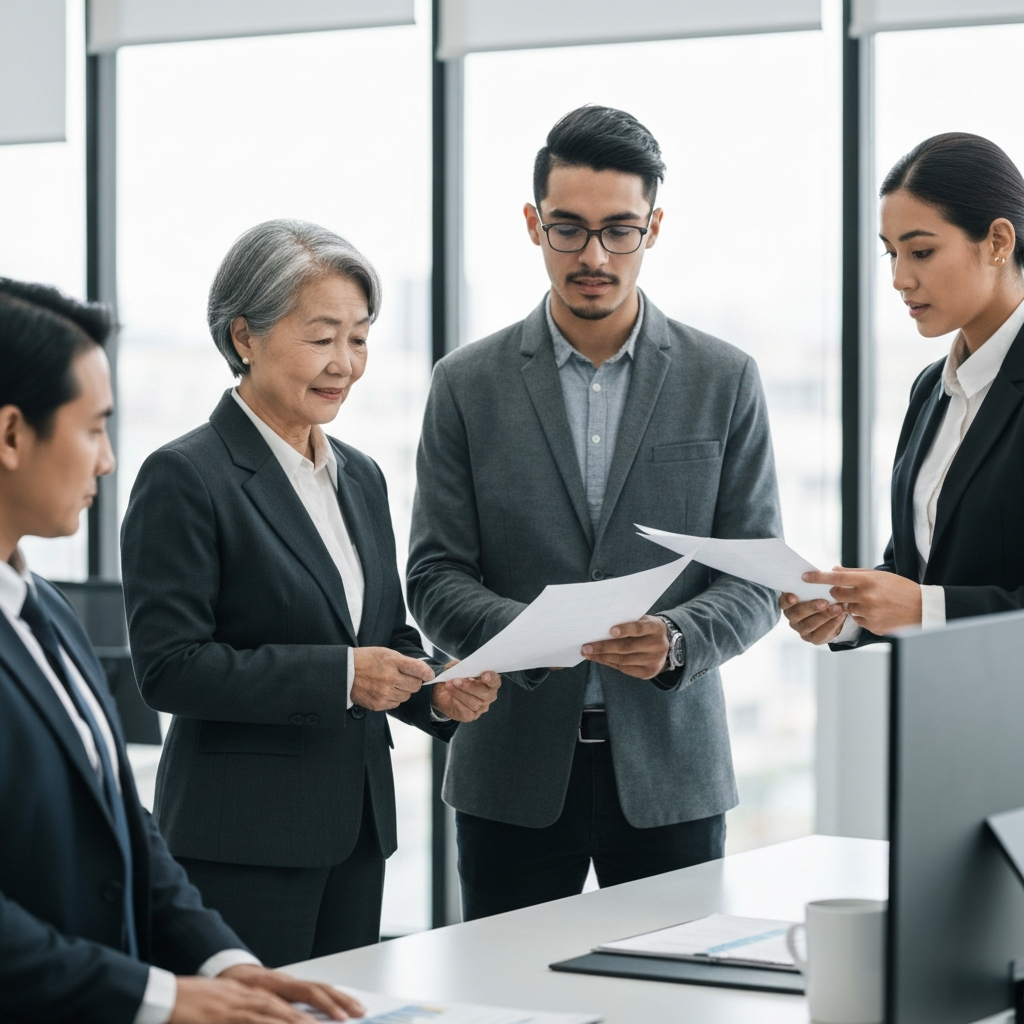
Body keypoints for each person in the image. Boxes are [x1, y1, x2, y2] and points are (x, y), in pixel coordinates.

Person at [407, 106, 782, 920]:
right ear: (532, 224)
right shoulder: (465, 384)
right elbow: (432, 574)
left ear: (654, 228)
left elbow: (757, 578)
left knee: (674, 986)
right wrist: (529, 636)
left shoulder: (724, 378)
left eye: (619, 231)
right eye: (568, 229)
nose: (594, 256)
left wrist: (678, 638)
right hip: (510, 770)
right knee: (501, 987)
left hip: (673, 773)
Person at [121, 221, 500, 967]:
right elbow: (169, 668)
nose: (344, 364)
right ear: (245, 337)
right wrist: (341, 676)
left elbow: (382, 633)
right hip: (241, 842)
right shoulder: (186, 476)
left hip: (356, 832)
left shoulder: (361, 475)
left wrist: (434, 690)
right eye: (322, 337)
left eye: (359, 338)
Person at [0, 278, 365, 1023]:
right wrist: (160, 997)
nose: (107, 461)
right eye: (93, 429)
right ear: (10, 435)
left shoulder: (47, 612)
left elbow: (120, 821)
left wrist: (228, 965)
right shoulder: (188, 475)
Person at [782, 133, 1024, 646]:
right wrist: (848, 612)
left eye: (921, 251)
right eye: (891, 253)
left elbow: (925, 602)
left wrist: (923, 610)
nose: (898, 278)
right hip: (933, 691)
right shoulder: (931, 388)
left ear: (999, 242)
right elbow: (915, 568)